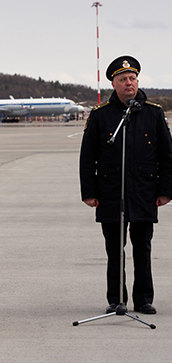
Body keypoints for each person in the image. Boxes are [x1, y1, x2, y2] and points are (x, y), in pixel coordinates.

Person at [79, 55, 172, 315]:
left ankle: (143, 300)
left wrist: (166, 191)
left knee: (142, 248)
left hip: (145, 192)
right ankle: (117, 299)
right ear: (114, 84)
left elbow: (167, 155)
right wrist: (89, 193)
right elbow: (88, 157)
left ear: (137, 81)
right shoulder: (101, 116)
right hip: (110, 193)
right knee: (114, 250)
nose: (128, 83)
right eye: (123, 79)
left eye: (132, 78)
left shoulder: (153, 113)